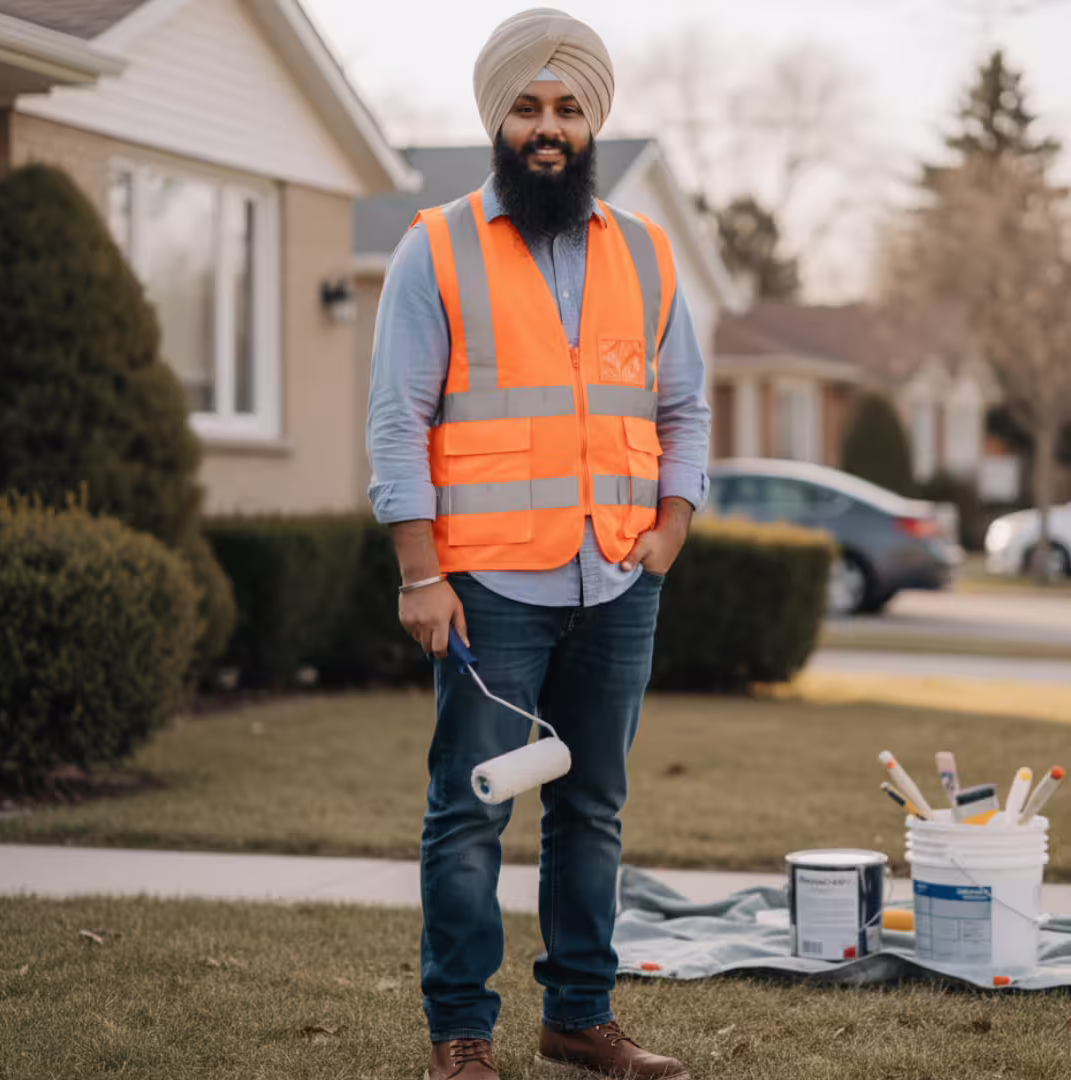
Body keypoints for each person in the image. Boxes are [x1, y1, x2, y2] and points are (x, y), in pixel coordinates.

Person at [366, 9, 710, 1079]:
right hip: (488, 590)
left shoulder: (648, 255)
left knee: (593, 810)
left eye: (567, 108)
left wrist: (669, 534)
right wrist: (421, 572)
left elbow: (684, 408)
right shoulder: (436, 248)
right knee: (469, 816)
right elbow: (396, 420)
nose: (547, 127)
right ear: (498, 120)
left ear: (592, 121)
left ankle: (578, 1018)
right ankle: (462, 1033)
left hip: (617, 581)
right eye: (527, 107)